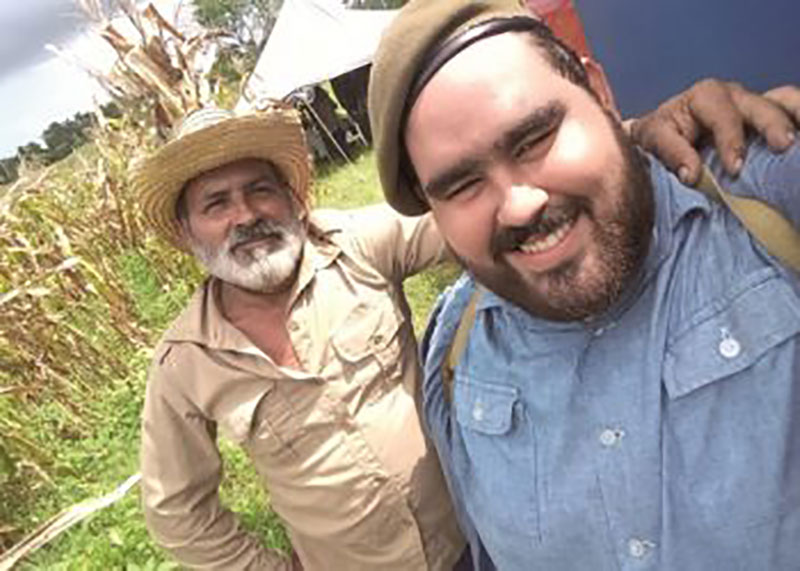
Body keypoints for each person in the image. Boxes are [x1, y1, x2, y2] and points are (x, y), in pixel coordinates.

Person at [133, 94, 797, 568]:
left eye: (259, 190)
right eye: (216, 204)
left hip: (475, 547)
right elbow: (177, 512)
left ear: (293, 200)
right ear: (188, 233)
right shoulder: (185, 362)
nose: (245, 215)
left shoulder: (354, 246)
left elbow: (480, 213)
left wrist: (632, 137)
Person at [368, 1, 800, 570]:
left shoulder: (768, 205)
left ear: (599, 92)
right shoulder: (454, 354)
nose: (519, 205)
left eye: (534, 139)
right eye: (463, 185)